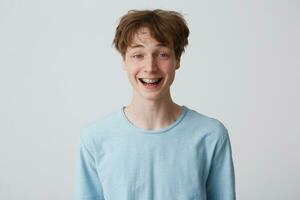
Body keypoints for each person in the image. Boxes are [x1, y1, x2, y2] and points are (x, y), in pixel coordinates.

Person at [74, 9, 236, 200]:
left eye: (162, 54)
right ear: (124, 61)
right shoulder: (95, 138)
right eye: (138, 55)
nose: (150, 67)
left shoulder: (210, 135)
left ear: (177, 59)